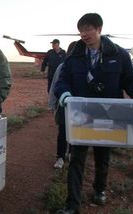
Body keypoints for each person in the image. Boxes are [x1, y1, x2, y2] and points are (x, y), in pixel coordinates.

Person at [54, 13, 133, 214]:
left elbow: (131, 79)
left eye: (88, 29)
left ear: (99, 29)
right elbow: (63, 81)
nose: (84, 34)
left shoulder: (118, 54)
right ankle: (72, 205)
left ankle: (99, 190)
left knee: (103, 155)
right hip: (82, 116)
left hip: (109, 115)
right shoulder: (74, 56)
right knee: (77, 158)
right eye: (81, 30)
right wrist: (66, 95)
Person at [48, 41, 77, 169]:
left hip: (79, 108)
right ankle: (60, 157)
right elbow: (54, 86)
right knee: (63, 132)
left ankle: (71, 153)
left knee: (76, 132)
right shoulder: (62, 67)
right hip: (64, 106)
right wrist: (52, 105)